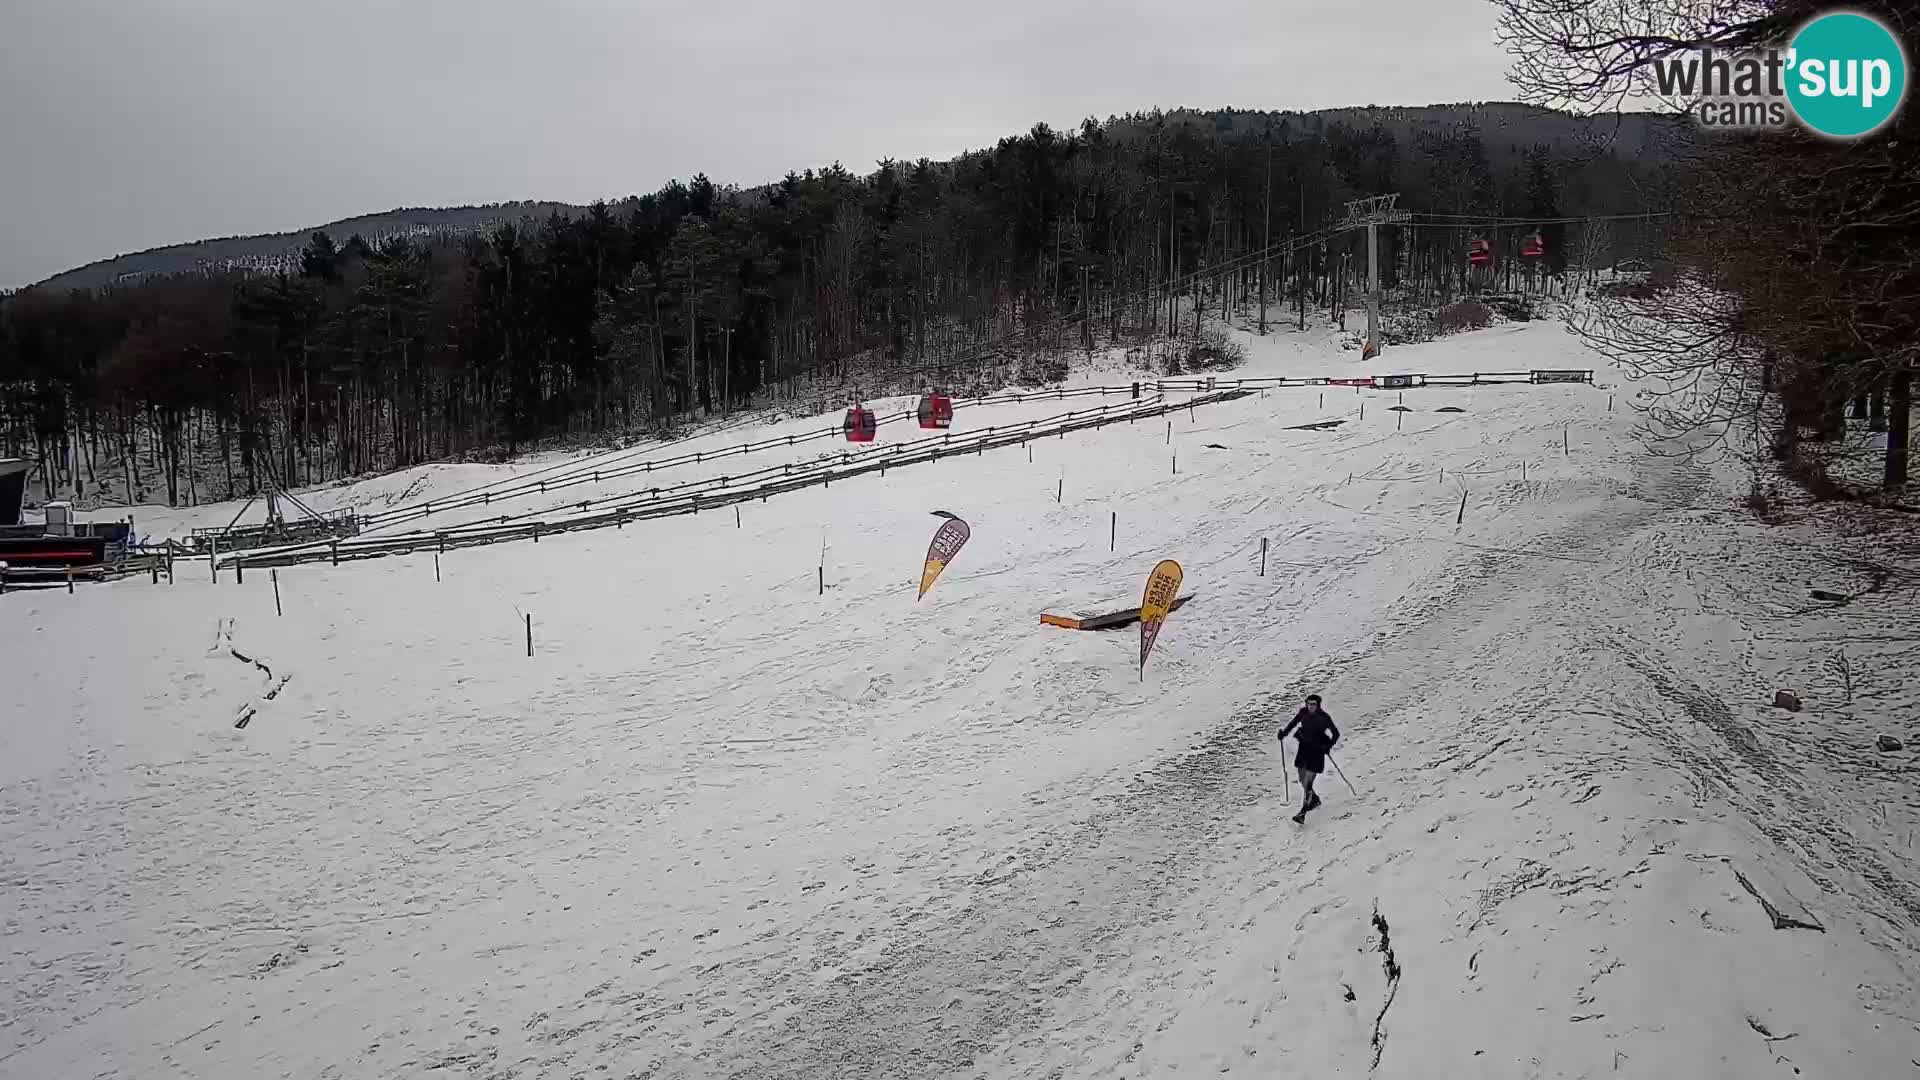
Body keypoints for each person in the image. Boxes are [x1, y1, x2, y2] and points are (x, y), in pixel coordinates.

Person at [1279, 694, 1340, 822]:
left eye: (1313, 704)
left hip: (1317, 751)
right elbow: (1293, 723)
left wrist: (1328, 747)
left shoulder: (1324, 717)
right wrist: (1283, 734)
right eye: (1309, 703)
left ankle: (1303, 812)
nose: (1311, 706)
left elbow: (1335, 733)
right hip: (1304, 748)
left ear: (1318, 705)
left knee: (1308, 782)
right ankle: (1314, 800)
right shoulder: (1303, 712)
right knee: (1302, 779)